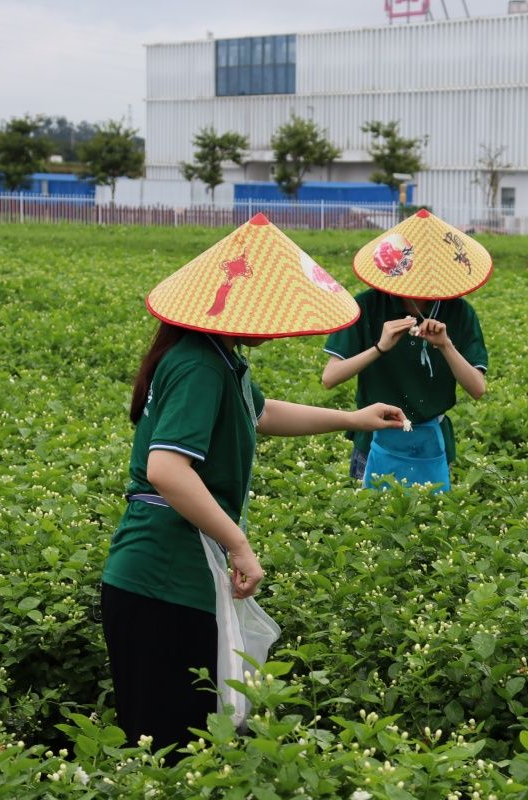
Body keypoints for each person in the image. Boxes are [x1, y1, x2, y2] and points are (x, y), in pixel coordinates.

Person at [100, 213, 406, 757]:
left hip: (173, 575)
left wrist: (354, 419)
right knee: (172, 747)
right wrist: (239, 545)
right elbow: (167, 470)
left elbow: (258, 413)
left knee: (185, 738)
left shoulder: (221, 359)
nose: (278, 320)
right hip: (162, 577)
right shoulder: (198, 363)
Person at [322, 209, 490, 489]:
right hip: (373, 434)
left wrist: (446, 345)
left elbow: (477, 388)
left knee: (431, 523)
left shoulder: (459, 312)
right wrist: (380, 347)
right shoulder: (367, 305)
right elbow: (330, 377)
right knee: (373, 522)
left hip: (432, 439)